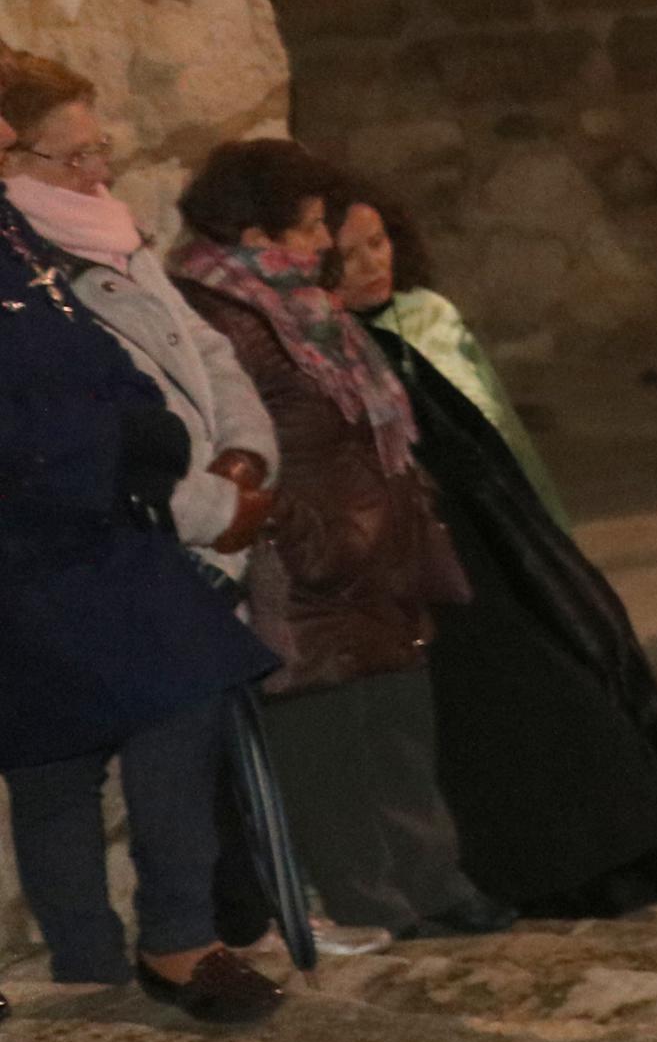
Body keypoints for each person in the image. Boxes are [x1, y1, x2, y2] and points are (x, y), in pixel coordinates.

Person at [331, 186, 657, 919]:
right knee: (508, 711)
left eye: (377, 242)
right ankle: (543, 873)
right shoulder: (340, 350)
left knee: (572, 678)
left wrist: (546, 532)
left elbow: (497, 430)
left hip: (498, 537)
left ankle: (616, 858)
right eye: (346, 255)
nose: (369, 265)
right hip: (432, 561)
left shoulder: (427, 319)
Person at [0, 63, 287, 1025]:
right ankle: (113, 958)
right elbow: (28, 415)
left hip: (107, 511)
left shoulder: (27, 241)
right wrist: (175, 486)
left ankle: (161, 944)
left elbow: (116, 359)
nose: (94, 171)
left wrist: (195, 446)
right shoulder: (34, 231)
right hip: (42, 530)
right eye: (63, 151)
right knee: (70, 745)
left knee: (144, 706)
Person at [171, 138, 512, 946]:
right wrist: (303, 526)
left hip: (371, 556)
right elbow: (233, 442)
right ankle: (374, 901)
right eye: (313, 225)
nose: (327, 242)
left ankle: (436, 882)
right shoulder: (223, 315)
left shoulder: (300, 304)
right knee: (329, 748)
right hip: (303, 567)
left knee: (397, 725)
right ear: (258, 235)